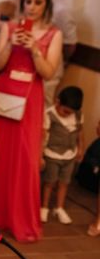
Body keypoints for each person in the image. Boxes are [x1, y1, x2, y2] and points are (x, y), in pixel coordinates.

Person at [0, 0, 63, 242]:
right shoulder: (9, 27)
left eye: (37, 2)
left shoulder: (54, 34)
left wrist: (34, 48)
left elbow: (47, 72)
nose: (31, 7)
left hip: (30, 98)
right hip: (4, 94)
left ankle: (16, 216)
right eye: (28, 1)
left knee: (23, 157)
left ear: (46, 5)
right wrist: (11, 43)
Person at [41, 87, 84, 224]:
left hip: (69, 156)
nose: (67, 114)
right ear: (57, 102)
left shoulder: (78, 115)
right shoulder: (49, 114)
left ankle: (59, 207)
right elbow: (43, 136)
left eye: (70, 113)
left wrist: (80, 148)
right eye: (65, 111)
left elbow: (80, 133)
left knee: (64, 183)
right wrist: (40, 154)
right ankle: (44, 206)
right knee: (49, 182)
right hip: (52, 154)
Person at [42, 0, 78, 108]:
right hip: (35, 66)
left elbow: (70, 43)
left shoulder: (61, 10)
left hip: (52, 67)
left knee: (44, 107)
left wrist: (59, 60)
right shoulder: (35, 5)